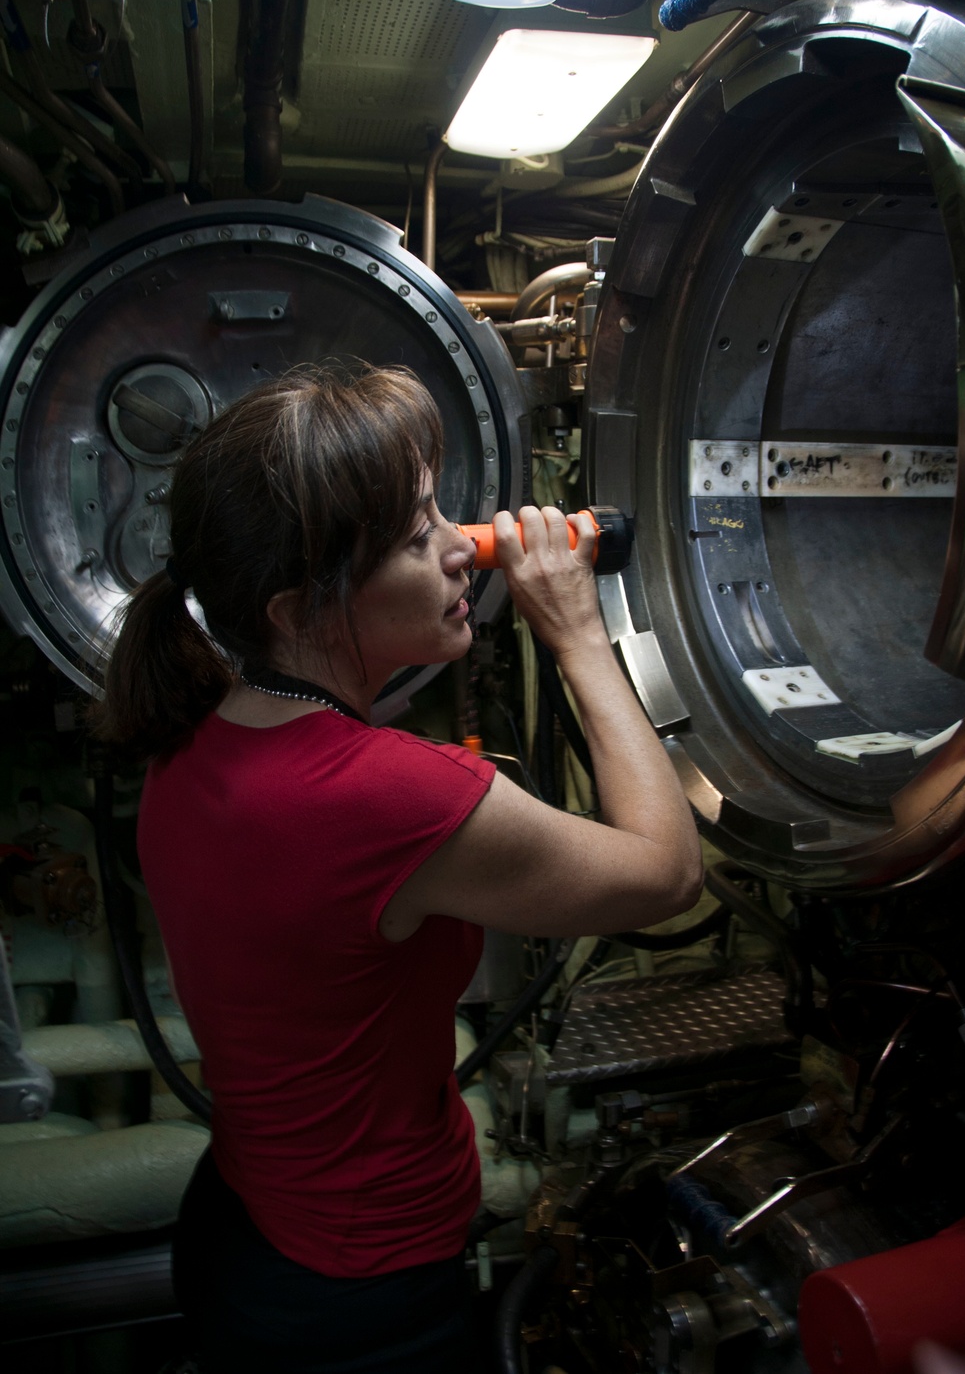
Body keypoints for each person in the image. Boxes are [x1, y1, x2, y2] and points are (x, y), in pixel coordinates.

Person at [94, 365, 702, 1374]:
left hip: (243, 1231)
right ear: (297, 609)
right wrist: (576, 631)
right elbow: (666, 872)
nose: (466, 550)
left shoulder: (190, 733)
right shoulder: (386, 797)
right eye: (420, 539)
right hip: (361, 1296)